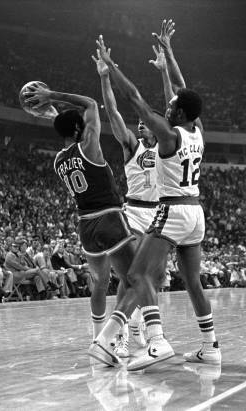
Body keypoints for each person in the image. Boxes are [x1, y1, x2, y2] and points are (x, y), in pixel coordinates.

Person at [89, 26, 220, 371]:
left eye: (173, 106)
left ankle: (157, 342)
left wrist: (111, 66)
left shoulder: (166, 134)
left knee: (137, 275)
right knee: (193, 282)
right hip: (196, 214)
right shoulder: (198, 131)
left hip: (173, 210)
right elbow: (181, 90)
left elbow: (134, 99)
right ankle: (210, 346)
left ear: (178, 113)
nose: (170, 105)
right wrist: (170, 59)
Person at [23, 83, 137, 339]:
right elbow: (91, 104)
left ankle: (97, 336)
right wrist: (52, 94)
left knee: (99, 283)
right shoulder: (89, 147)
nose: (88, 127)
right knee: (134, 281)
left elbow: (68, 128)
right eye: (82, 125)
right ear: (78, 129)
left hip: (85, 226)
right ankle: (112, 339)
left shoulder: (59, 160)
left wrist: (56, 116)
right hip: (109, 218)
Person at [93, 40, 166, 357]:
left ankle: (136, 323)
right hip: (134, 213)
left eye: (144, 121)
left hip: (161, 215)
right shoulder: (132, 146)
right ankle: (120, 335)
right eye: (138, 121)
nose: (139, 123)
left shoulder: (168, 148)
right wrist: (105, 77)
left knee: (155, 278)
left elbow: (174, 109)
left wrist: (165, 72)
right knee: (129, 275)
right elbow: (112, 112)